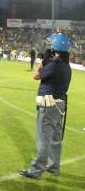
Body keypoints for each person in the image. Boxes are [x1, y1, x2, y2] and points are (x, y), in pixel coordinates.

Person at [20, 33, 72, 179]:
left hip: (49, 105)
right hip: (59, 105)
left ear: (55, 47)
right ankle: (53, 166)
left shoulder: (55, 64)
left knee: (43, 139)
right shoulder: (66, 65)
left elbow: (36, 75)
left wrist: (44, 61)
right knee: (56, 139)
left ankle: (36, 170)